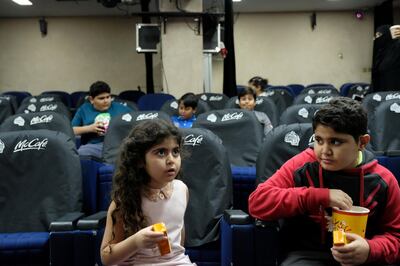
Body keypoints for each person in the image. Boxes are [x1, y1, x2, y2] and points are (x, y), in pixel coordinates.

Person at [248, 97, 400, 265]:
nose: (324, 151)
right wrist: (317, 196)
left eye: (335, 142)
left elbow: (396, 237)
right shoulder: (302, 165)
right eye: (319, 140)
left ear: (362, 142)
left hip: (364, 259)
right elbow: (257, 202)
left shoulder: (383, 180)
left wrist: (371, 249)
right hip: (308, 256)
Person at [100, 119, 195, 266]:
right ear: (139, 161)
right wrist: (136, 241)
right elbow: (106, 258)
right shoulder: (125, 199)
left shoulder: (182, 189)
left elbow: (178, 242)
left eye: (175, 151)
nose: (171, 160)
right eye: (161, 152)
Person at [71, 81, 132, 158]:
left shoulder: (122, 109)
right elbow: (71, 130)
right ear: (91, 99)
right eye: (101, 98)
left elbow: (137, 124)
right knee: (80, 154)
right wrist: (90, 128)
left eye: (108, 97)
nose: (106, 101)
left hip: (118, 144)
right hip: (94, 145)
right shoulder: (84, 109)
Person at [371, 24, 400, 92]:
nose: (377, 38)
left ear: (387, 34)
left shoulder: (397, 48)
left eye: (379, 35)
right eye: (376, 35)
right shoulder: (380, 53)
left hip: (395, 93)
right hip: (382, 92)